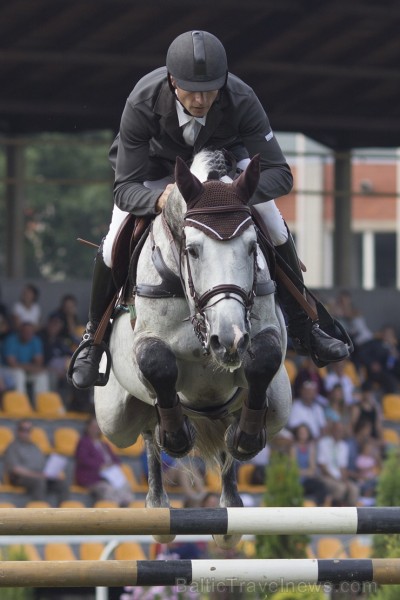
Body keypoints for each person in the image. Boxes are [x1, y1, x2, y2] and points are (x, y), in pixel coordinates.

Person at [70, 29, 349, 390]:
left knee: (274, 226)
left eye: (210, 89)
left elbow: (281, 174)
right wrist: (157, 200)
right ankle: (94, 338)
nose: (201, 99)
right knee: (111, 246)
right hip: (157, 175)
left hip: (225, 171)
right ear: (172, 81)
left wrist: (234, 194)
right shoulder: (142, 100)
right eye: (191, 89)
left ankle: (305, 323)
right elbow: (125, 188)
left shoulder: (240, 96)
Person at [3, 419, 69, 505]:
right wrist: (37, 475)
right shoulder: (13, 447)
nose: (26, 433)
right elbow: (16, 469)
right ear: (18, 431)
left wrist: (51, 474)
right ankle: (39, 512)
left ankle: (64, 513)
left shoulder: (35, 446)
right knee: (39, 482)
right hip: (20, 478)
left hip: (39, 475)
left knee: (62, 483)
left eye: (28, 430)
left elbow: (43, 464)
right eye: (23, 429)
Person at [74, 416, 135, 506]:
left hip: (109, 476)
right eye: (93, 427)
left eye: (97, 427)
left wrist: (112, 465)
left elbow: (116, 459)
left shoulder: (104, 444)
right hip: (93, 478)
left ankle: (126, 509)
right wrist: (100, 466)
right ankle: (114, 513)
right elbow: (82, 459)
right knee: (108, 489)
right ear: (88, 428)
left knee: (125, 486)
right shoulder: (84, 442)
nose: (96, 429)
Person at [2, 321, 50, 404]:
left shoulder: (35, 341)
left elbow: (39, 363)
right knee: (19, 374)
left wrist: (30, 368)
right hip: (6, 370)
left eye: (30, 332)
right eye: (26, 331)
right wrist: (30, 367)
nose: (28, 334)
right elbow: (11, 363)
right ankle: (20, 403)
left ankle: (41, 404)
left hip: (25, 369)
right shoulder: (11, 340)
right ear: (20, 332)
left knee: (42, 375)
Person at [317, 420, 359, 507]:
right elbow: (322, 467)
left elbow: (343, 468)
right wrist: (336, 479)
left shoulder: (344, 446)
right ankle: (335, 516)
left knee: (354, 489)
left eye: (341, 431)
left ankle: (350, 517)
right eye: (337, 430)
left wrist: (345, 480)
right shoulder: (323, 443)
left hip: (339, 478)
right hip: (326, 477)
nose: (339, 432)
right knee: (340, 488)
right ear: (332, 430)